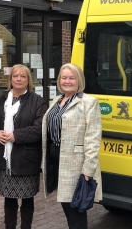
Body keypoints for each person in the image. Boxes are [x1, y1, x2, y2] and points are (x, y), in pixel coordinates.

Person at [42, 63, 102, 229]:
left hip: (76, 165)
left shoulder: (89, 102)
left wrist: (88, 170)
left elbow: (93, 137)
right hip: (57, 161)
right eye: (64, 77)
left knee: (76, 209)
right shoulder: (57, 100)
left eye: (71, 77)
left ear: (79, 80)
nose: (67, 81)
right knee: (66, 206)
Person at [0, 64, 47, 229]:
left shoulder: (37, 101)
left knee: (27, 197)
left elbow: (40, 128)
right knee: (9, 197)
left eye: (23, 76)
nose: (19, 79)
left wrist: (16, 136)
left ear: (28, 80)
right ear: (11, 79)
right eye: (16, 76)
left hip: (26, 158)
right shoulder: (1, 100)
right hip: (5, 158)